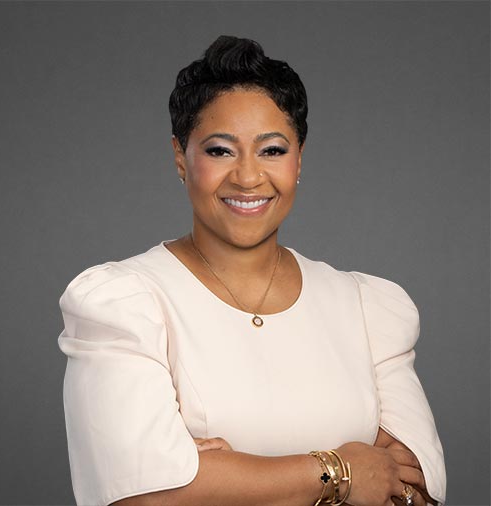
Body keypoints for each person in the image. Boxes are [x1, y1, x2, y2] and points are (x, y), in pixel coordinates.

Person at [58, 35, 446, 506]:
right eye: (220, 150)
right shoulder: (124, 304)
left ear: (299, 158)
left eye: (273, 150)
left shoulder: (367, 307)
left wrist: (218, 479)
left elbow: (414, 490)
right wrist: (341, 471)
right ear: (181, 157)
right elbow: (139, 496)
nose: (247, 177)